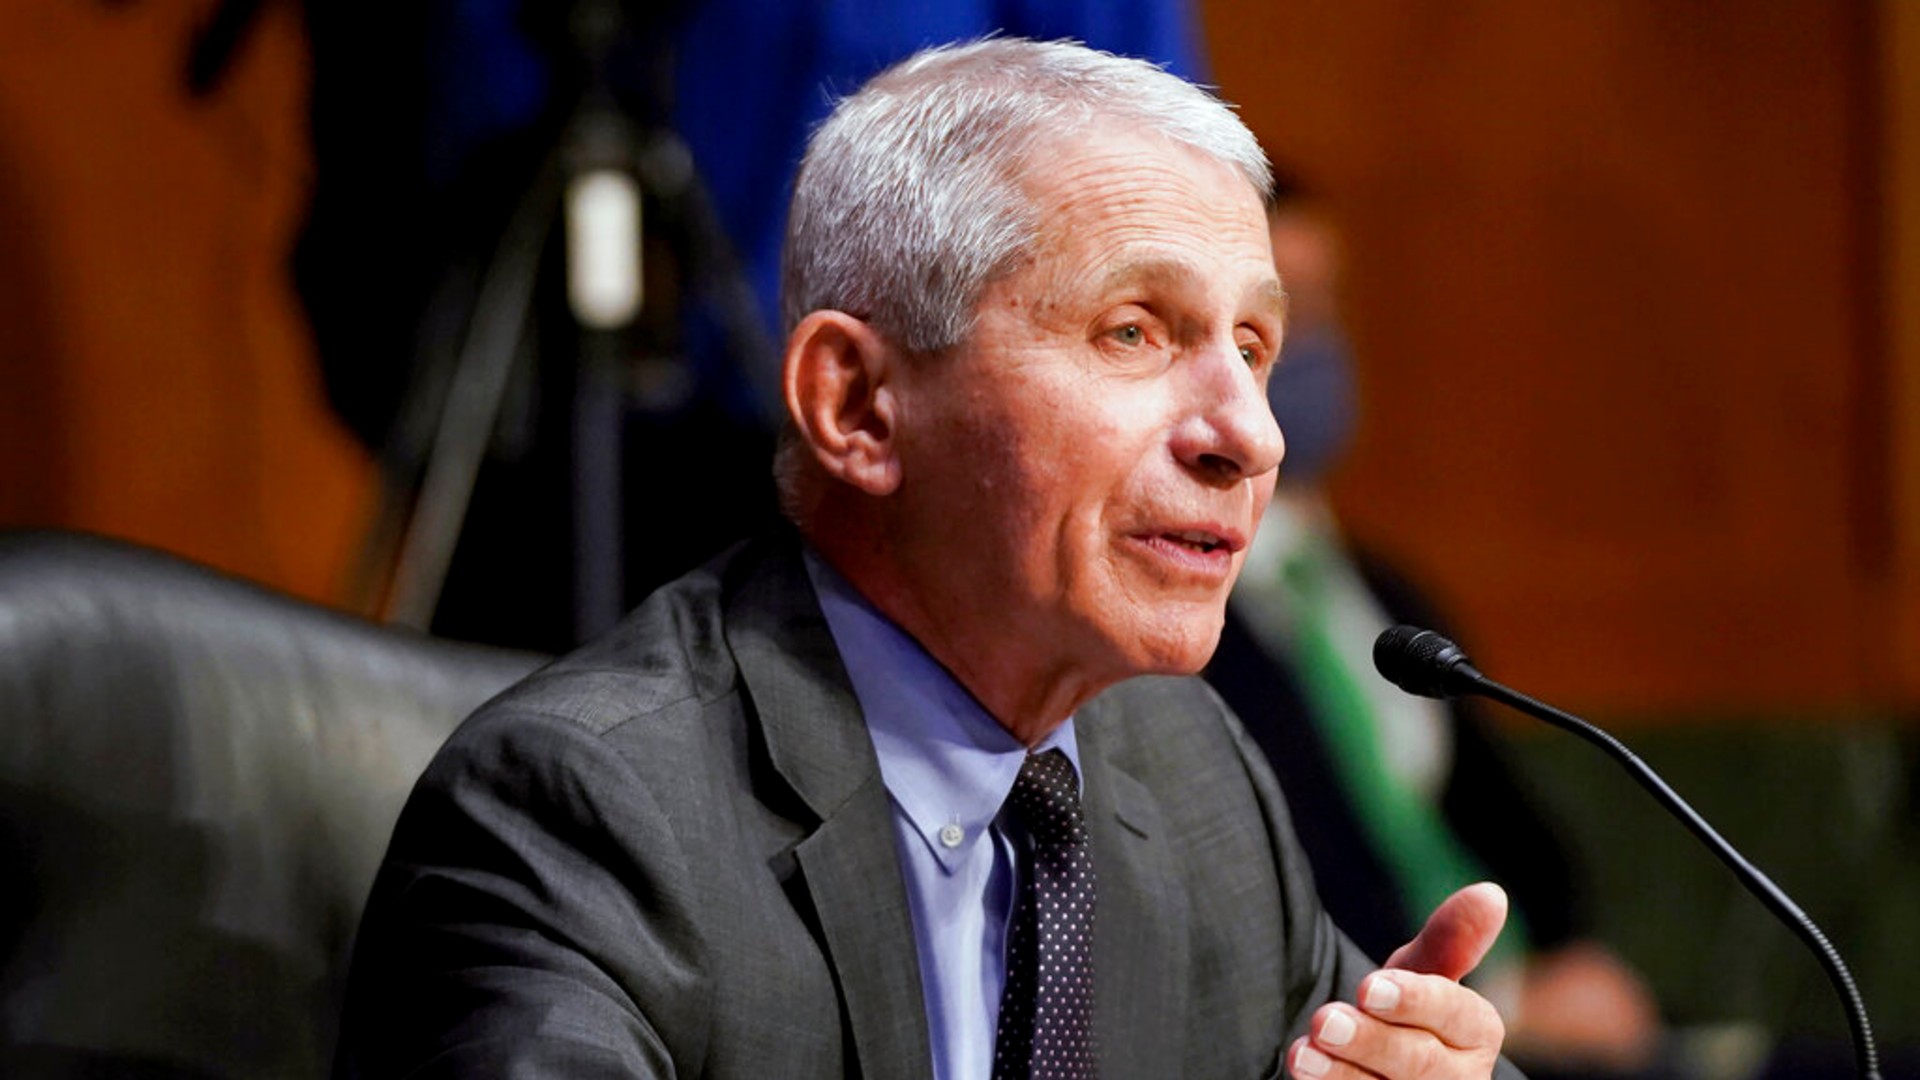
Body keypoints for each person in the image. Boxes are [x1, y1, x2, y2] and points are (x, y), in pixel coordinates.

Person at [334, 39, 1521, 1080]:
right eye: (1133, 331)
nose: (1250, 434)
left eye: (1255, 345)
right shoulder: (590, 817)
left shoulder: (1188, 767)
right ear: (857, 406)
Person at [1208, 184, 1661, 1074]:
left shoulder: (1382, 587)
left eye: (1326, 307)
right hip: (1369, 1022)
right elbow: (1279, 889)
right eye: (1274, 316)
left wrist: (1568, 960)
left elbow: (1503, 818)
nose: (1311, 349)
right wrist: (1505, 1003)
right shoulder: (1179, 622)